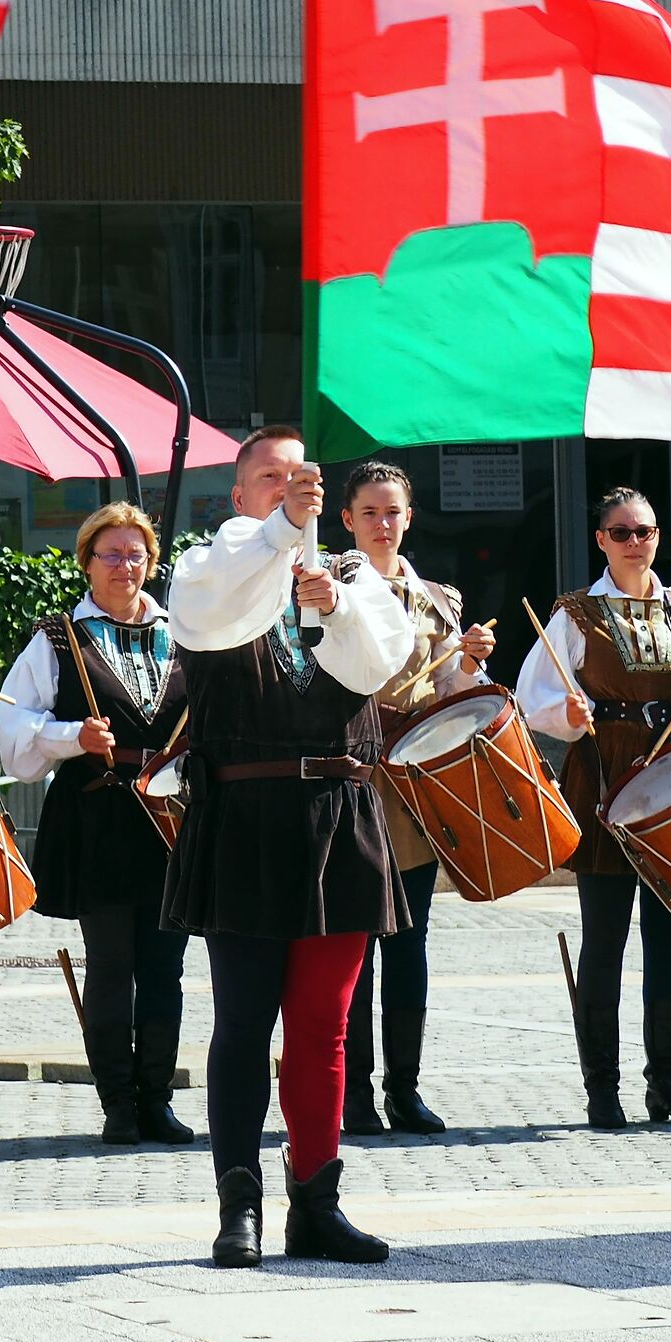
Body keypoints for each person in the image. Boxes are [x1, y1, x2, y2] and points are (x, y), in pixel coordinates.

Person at [169, 426, 412, 1269]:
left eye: (299, 475)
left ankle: (317, 1201)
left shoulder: (350, 574)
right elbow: (210, 616)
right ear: (239, 495)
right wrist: (279, 543)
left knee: (324, 1024)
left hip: (338, 812)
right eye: (269, 477)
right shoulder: (212, 562)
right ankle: (238, 1205)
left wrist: (335, 599)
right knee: (243, 1021)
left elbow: (384, 662)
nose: (289, 487)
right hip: (246, 814)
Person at [0, 501, 193, 1147]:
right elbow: (15, 733)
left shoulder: (183, 633)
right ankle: (118, 1105)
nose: (123, 566)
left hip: (171, 820)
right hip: (99, 815)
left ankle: (157, 1099)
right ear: (86, 561)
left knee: (166, 968)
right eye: (110, 554)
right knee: (111, 965)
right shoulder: (58, 638)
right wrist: (70, 735)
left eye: (135, 554)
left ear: (151, 562)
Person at [518, 485, 671, 1130]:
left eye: (645, 532)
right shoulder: (577, 614)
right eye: (621, 533)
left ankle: (665, 1085)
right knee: (606, 939)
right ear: (600, 540)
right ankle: (602, 1089)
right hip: (602, 775)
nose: (635, 543)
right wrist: (564, 714)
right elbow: (532, 695)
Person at [338, 462, 494, 1138]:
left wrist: (468, 660)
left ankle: (406, 1088)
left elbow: (456, 697)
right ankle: (353, 1095)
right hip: (355, 782)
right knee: (355, 946)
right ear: (346, 519)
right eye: (369, 512)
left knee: (411, 942)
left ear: (410, 517)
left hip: (421, 791)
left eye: (392, 512)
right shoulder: (329, 590)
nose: (381, 524)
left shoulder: (439, 599)